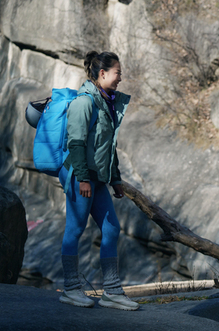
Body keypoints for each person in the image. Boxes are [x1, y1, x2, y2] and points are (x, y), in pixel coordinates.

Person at [57, 51, 139, 311]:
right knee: (75, 229)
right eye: (117, 73)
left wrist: (115, 179)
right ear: (102, 74)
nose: (120, 78)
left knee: (111, 229)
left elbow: (109, 146)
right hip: (80, 177)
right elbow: (76, 143)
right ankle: (70, 289)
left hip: (98, 179)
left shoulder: (107, 102)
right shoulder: (85, 102)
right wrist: (82, 179)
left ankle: (112, 292)